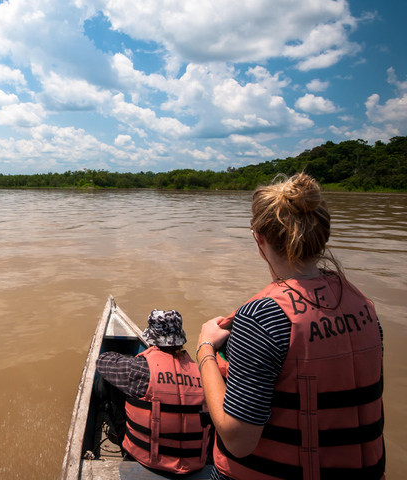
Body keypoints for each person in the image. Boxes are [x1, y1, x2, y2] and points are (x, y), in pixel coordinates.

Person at [196, 173, 385, 480]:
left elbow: (238, 440)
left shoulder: (261, 317)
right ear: (322, 235)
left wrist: (205, 348)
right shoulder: (364, 306)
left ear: (259, 237)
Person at [97, 309, 211, 475]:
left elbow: (103, 361)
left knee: (116, 383)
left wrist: (134, 359)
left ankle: (119, 432)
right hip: (195, 466)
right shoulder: (202, 373)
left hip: (144, 463)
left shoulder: (139, 370)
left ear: (151, 339)